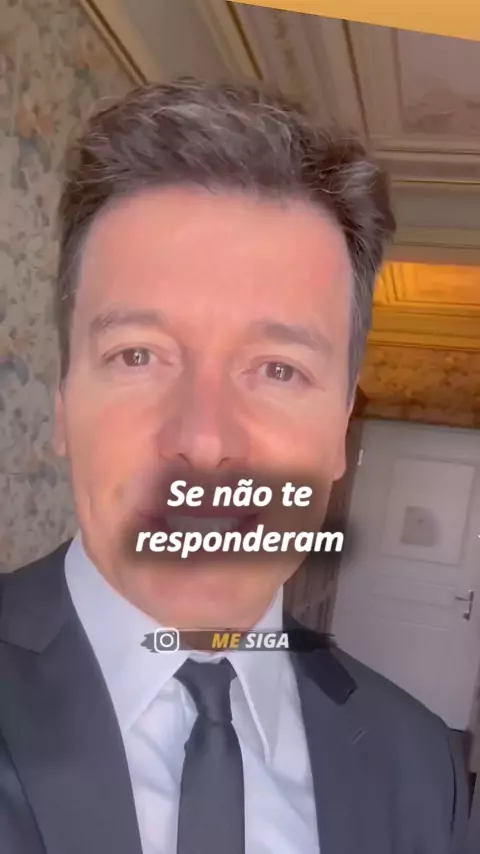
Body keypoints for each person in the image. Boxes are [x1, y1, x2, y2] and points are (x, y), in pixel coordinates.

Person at [0, 79, 468, 854]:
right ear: (64, 402)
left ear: (338, 430)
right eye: (138, 354)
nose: (206, 440)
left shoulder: (424, 769)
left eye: (279, 369)